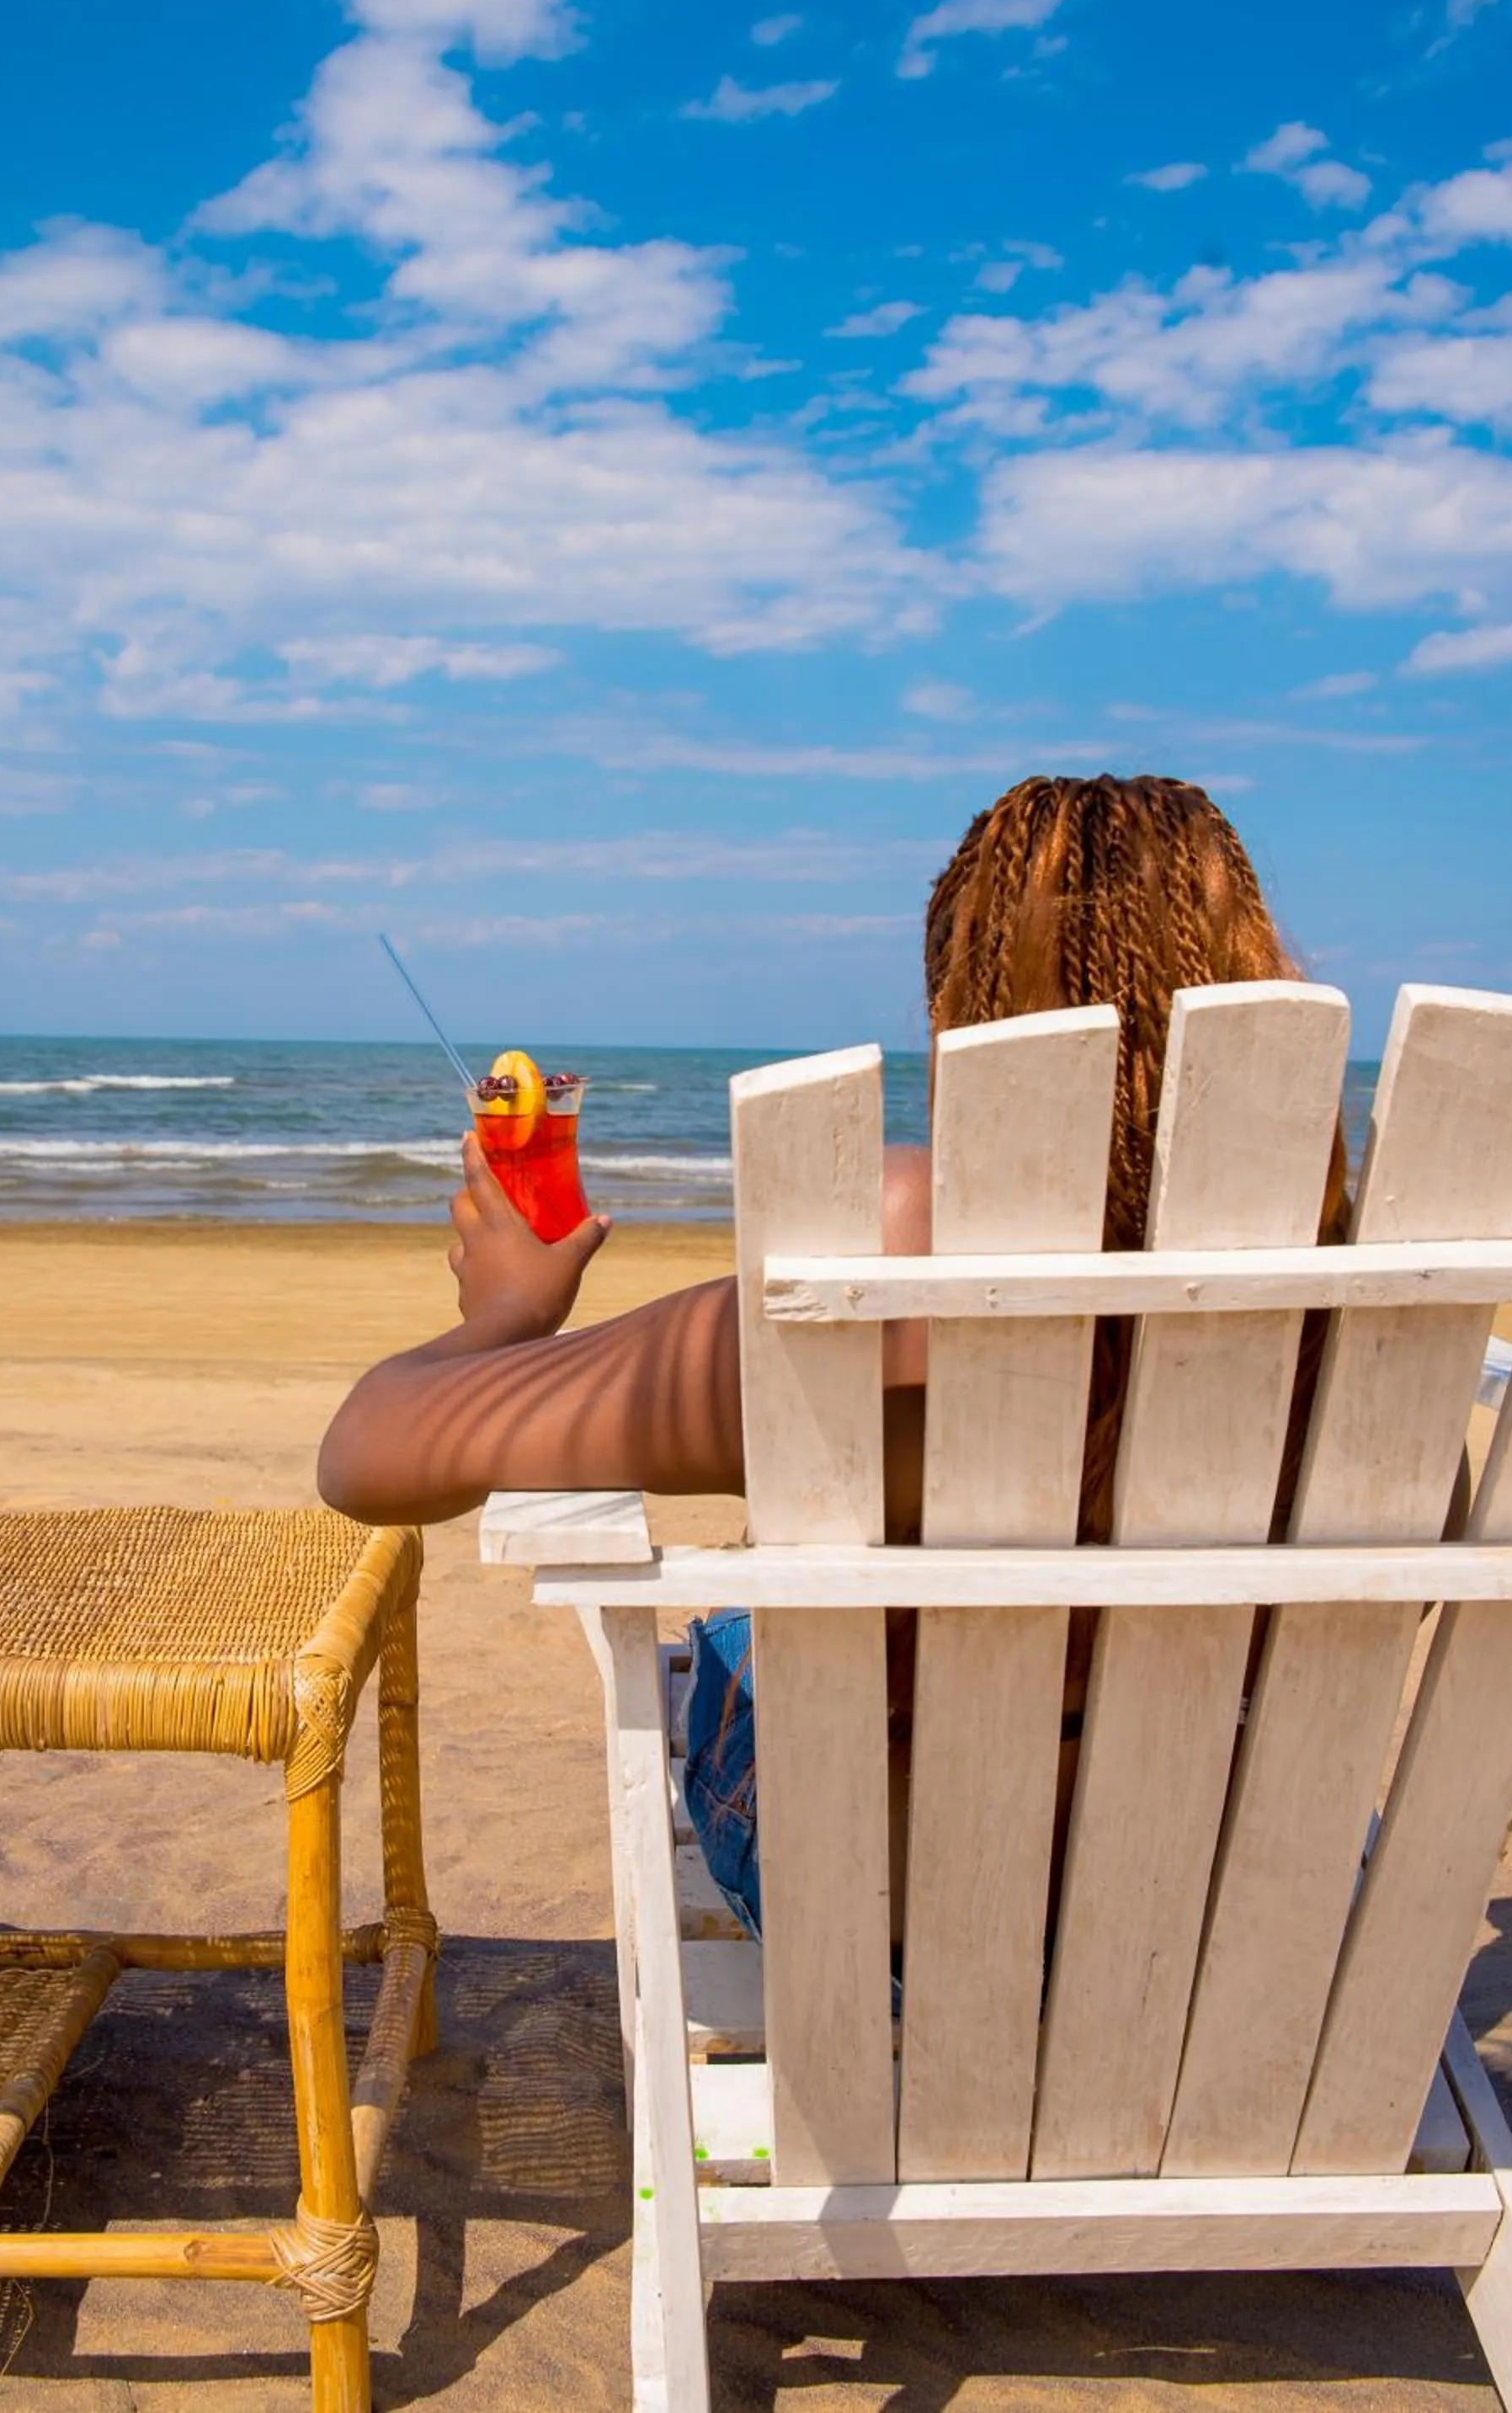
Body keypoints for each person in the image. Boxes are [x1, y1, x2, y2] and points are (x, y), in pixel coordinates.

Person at [318, 772, 1351, 1945]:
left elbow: (368, 1456)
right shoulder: (1356, 1283)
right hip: (1235, 1909)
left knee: (730, 1640)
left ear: (963, 1002)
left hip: (906, 1922)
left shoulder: (899, 1251)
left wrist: (503, 1315)